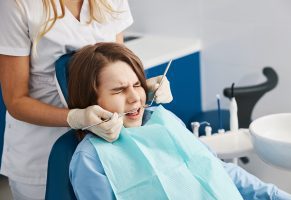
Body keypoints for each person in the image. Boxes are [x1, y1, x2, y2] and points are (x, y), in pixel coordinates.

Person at [68, 42, 291, 200]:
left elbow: (215, 169)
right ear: (91, 101)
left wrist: (276, 195)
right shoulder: (90, 159)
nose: (134, 97)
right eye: (118, 90)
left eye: (137, 84)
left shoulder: (163, 120)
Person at [0, 0, 172, 199]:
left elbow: (117, 64)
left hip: (105, 148)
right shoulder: (18, 5)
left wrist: (140, 88)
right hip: (41, 154)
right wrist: (76, 118)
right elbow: (16, 101)